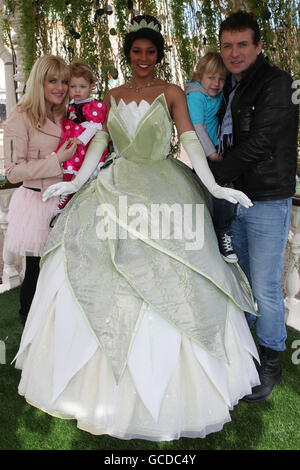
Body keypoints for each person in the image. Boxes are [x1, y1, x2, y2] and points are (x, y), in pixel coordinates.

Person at [13, 16, 260, 440]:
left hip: (163, 187)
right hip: (113, 185)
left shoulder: (172, 92)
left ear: (159, 56)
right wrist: (75, 180)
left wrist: (215, 186)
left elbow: (189, 140)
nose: (143, 58)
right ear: (127, 55)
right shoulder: (111, 95)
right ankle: (93, 384)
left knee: (178, 271)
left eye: (150, 52)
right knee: (90, 266)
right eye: (136, 51)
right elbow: (98, 142)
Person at [210, 11, 299, 402]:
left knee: (264, 286)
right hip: (235, 197)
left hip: (264, 198)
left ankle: (270, 360)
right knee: (241, 280)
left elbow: (261, 143)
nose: (234, 52)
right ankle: (244, 351)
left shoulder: (278, 83)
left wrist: (212, 176)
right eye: (227, 45)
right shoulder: (231, 85)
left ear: (258, 46)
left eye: (242, 44)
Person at [4, 55, 77, 325]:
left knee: (65, 269)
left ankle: (60, 325)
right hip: (37, 202)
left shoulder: (66, 114)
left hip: (68, 200)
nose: (60, 87)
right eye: (52, 81)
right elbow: (13, 171)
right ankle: (29, 329)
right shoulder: (20, 117)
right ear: (39, 82)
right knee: (36, 270)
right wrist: (55, 162)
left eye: (65, 81)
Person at [185, 52, 238, 263]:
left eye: (221, 79)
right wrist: (212, 153)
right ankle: (221, 231)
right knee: (225, 188)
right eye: (211, 78)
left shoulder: (214, 96)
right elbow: (197, 127)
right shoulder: (196, 96)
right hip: (206, 152)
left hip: (216, 149)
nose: (216, 83)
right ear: (199, 76)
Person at [53, 60, 108, 216]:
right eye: (73, 86)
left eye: (82, 87)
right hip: (71, 142)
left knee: (79, 170)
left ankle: (71, 195)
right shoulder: (69, 105)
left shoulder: (94, 106)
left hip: (84, 145)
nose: (77, 91)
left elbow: (94, 126)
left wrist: (81, 140)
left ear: (91, 86)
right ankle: (67, 196)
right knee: (67, 167)